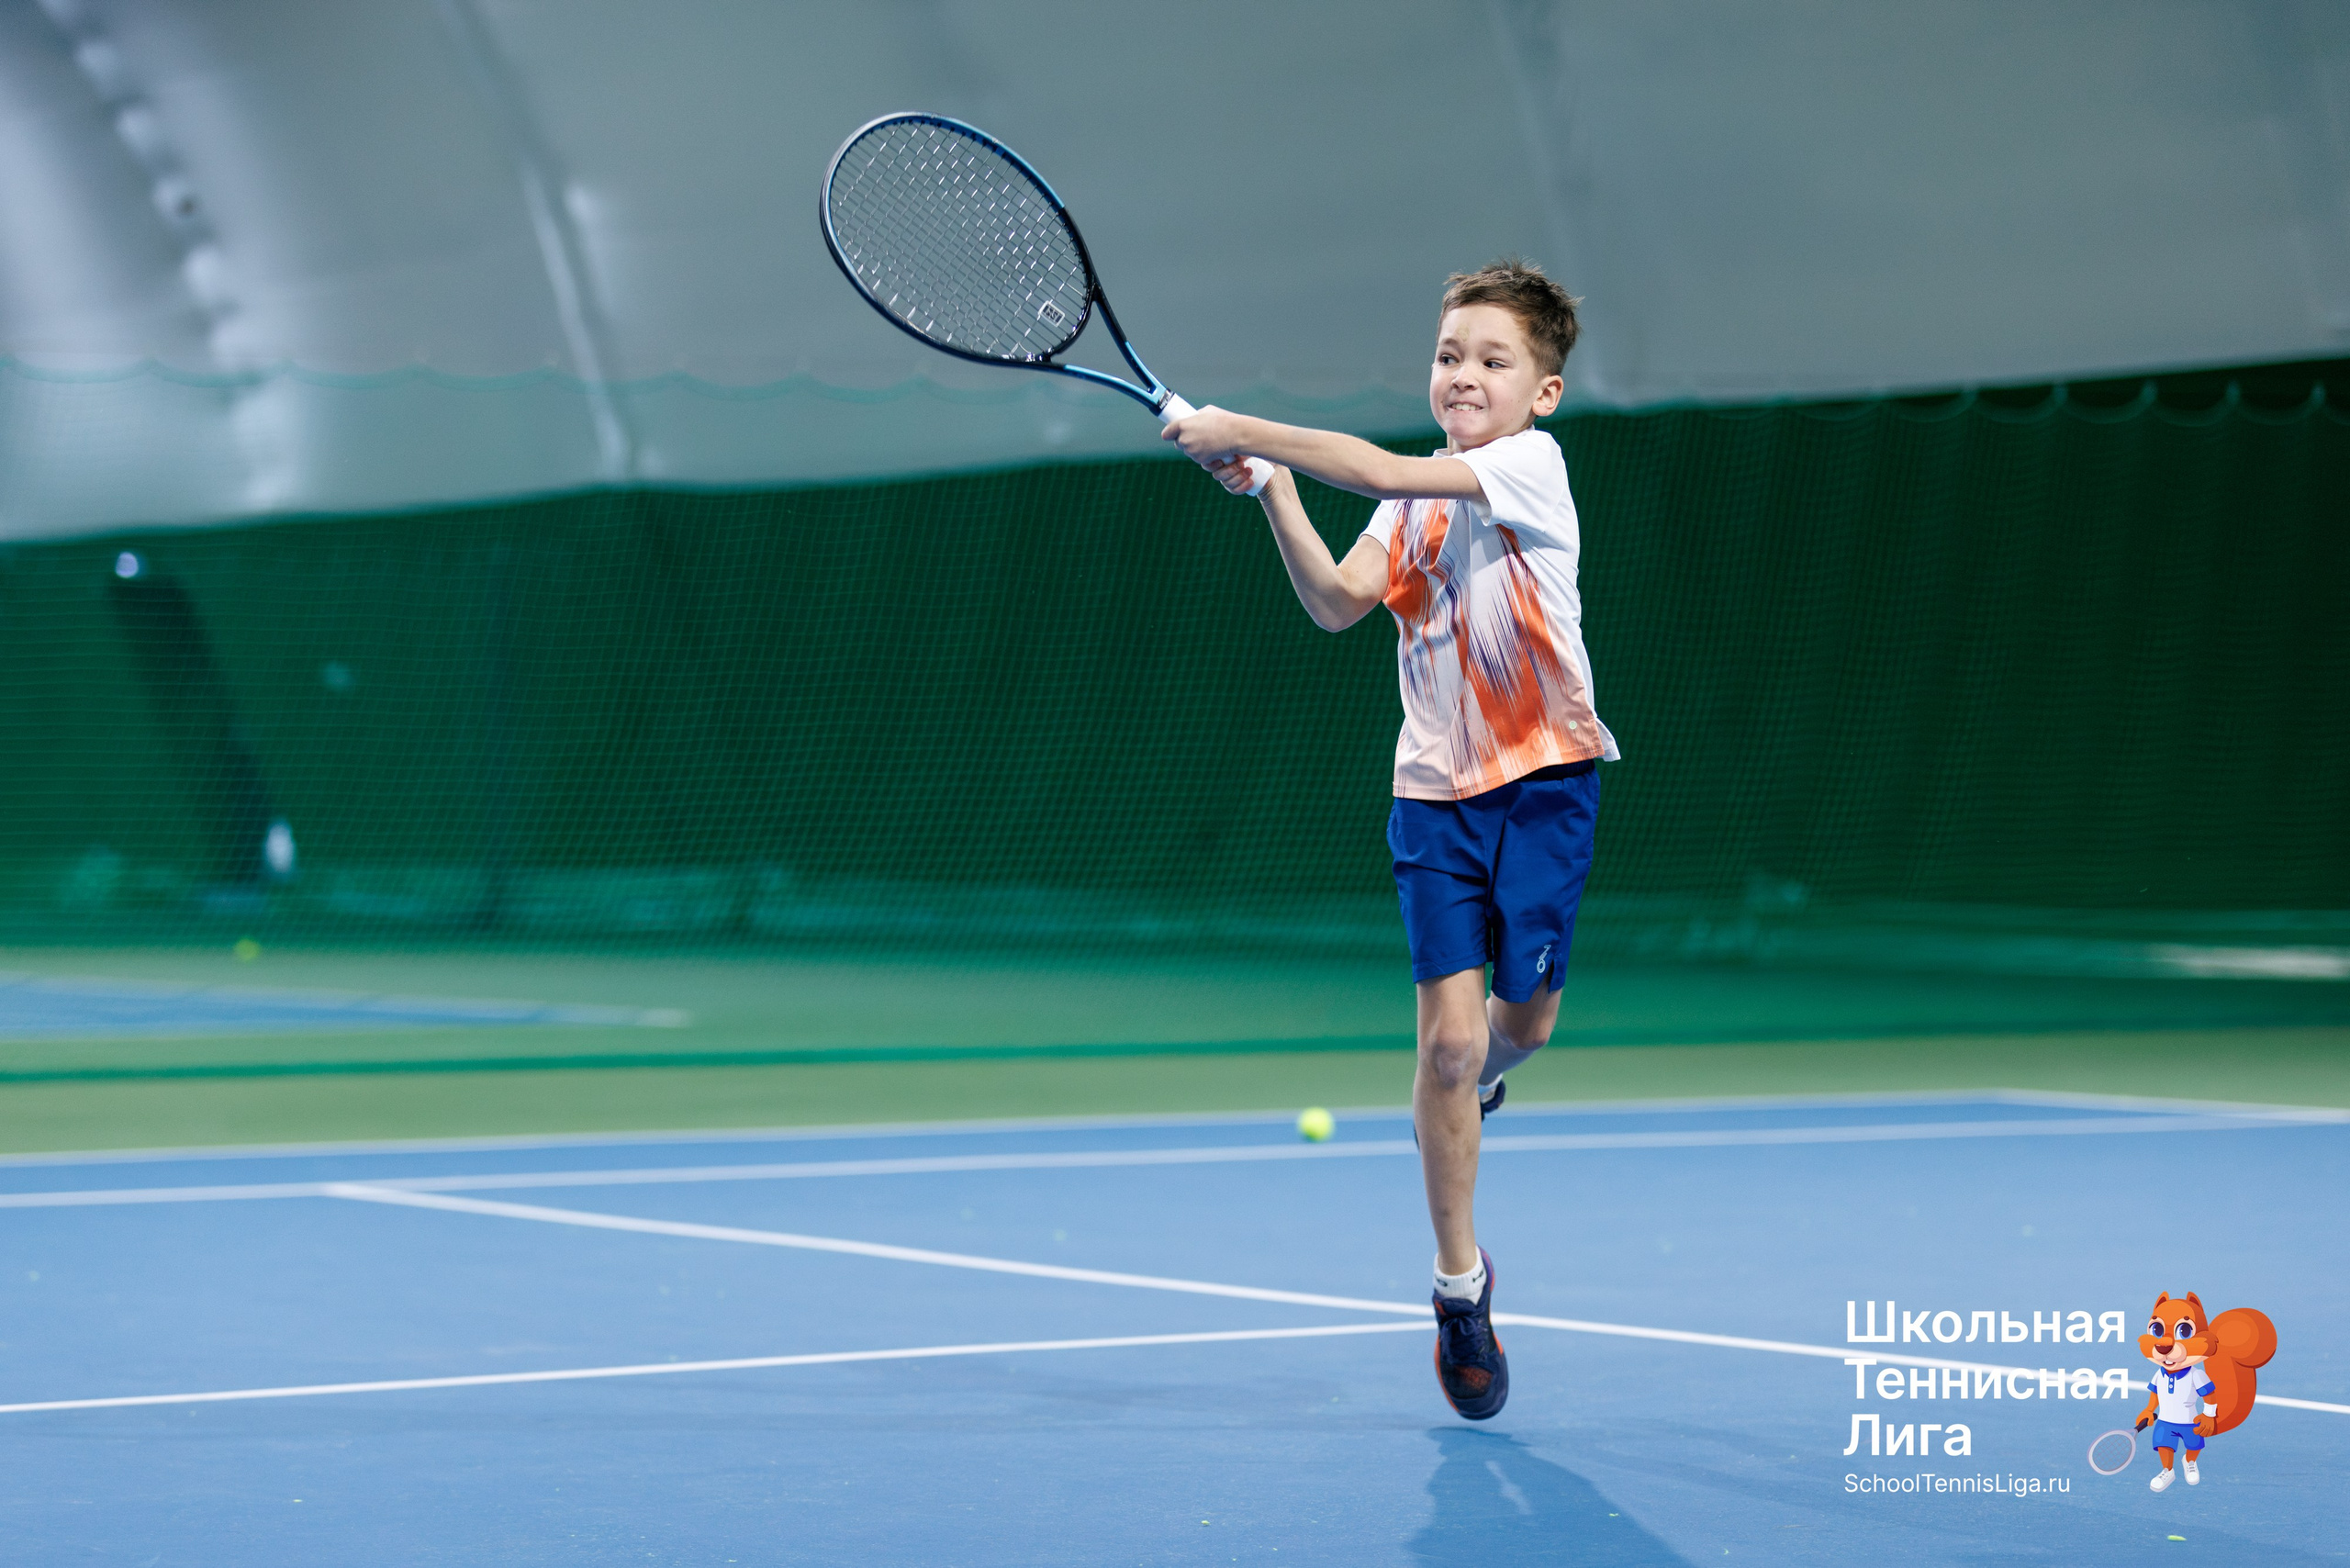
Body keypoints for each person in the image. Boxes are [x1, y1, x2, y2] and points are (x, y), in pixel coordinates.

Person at [1164, 258, 1614, 1419]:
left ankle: (1471, 1088)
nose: (1463, 375)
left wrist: (1236, 423)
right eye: (1449, 354)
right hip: (1432, 798)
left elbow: (1371, 459)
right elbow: (1333, 600)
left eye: (1492, 360)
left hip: (1546, 785)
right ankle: (1459, 1289)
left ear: (1543, 393)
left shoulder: (1527, 468)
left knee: (1524, 1028)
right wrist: (1266, 484)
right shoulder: (1408, 507)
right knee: (1451, 1048)